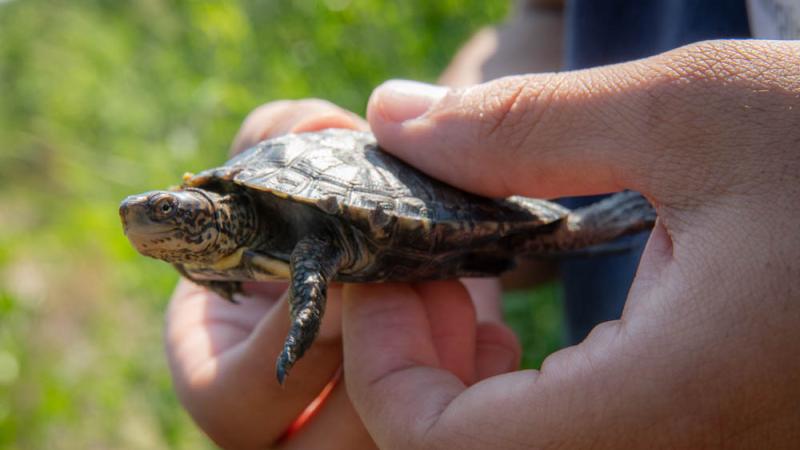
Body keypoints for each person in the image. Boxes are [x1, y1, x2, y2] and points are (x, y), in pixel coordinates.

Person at [165, 2, 800, 448]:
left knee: (561, 230)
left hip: (465, 230)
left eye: (166, 211)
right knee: (559, 236)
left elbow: (320, 245)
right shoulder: (222, 240)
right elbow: (553, 14)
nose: (147, 218)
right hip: (598, 311)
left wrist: (303, 317)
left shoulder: (296, 230)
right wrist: (451, 128)